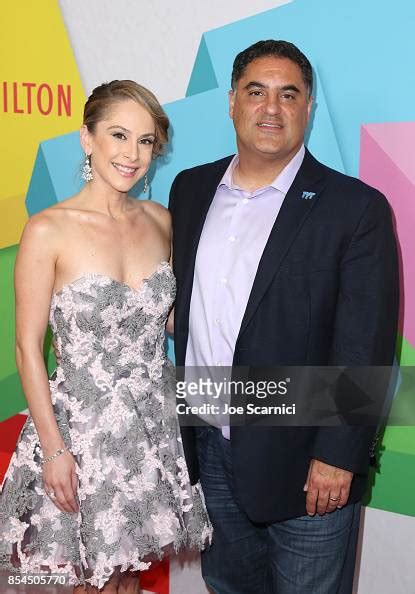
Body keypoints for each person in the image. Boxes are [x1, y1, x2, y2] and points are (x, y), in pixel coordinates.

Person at [169, 40, 399, 593]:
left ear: (308, 108)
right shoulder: (190, 190)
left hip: (306, 466)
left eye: (288, 94)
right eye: (256, 92)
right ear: (231, 103)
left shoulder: (355, 208)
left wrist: (338, 456)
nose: (271, 109)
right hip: (209, 451)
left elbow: (364, 342)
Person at [0, 80, 211, 594]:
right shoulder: (48, 229)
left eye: (144, 141)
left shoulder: (162, 221)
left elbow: (167, 321)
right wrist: (54, 450)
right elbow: (28, 348)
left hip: (152, 429)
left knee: (129, 580)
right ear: (87, 138)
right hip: (79, 434)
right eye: (118, 135)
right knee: (86, 582)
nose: (132, 154)